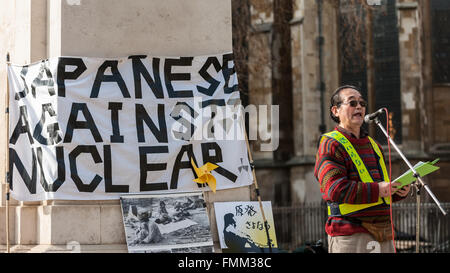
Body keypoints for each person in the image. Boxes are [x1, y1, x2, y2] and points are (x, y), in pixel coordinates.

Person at [314, 85, 411, 253]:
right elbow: (334, 189)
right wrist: (379, 189)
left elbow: (378, 188)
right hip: (351, 235)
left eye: (362, 102)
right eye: (352, 103)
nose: (359, 106)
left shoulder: (374, 145)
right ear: (335, 111)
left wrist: (396, 191)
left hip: (384, 233)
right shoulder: (330, 143)